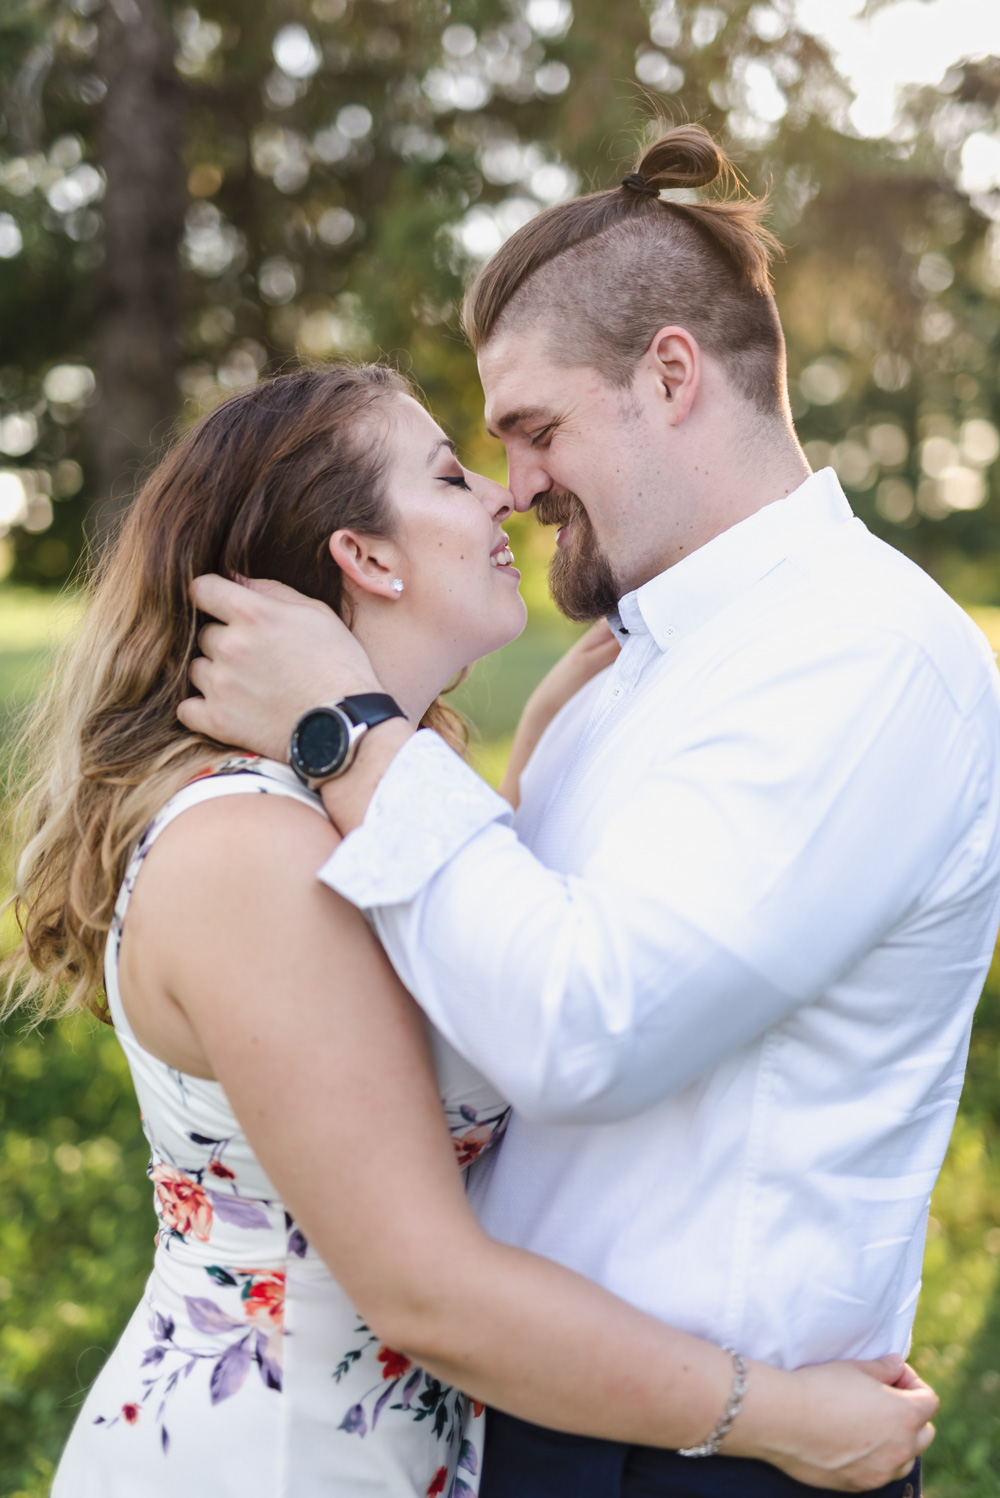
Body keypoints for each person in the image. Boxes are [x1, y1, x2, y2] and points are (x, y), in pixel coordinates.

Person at [176, 126, 1000, 1498]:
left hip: (720, 1455)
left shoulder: (864, 655)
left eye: (537, 428)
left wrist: (345, 733)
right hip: (545, 1418)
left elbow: (583, 1022)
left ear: (670, 374)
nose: (519, 485)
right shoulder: (627, 670)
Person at [2, 364, 934, 1498]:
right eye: (449, 475)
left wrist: (528, 777)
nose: (504, 496)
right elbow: (422, 1290)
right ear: (367, 556)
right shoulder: (250, 850)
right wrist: (781, 1416)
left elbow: (497, 957)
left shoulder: (353, 803)